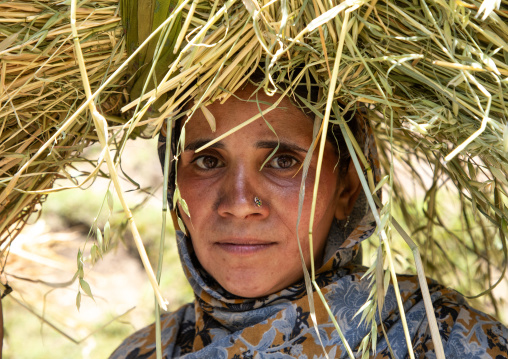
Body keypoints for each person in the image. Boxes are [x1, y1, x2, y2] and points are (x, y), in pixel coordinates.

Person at [110, 77, 508, 358]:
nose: (239, 202)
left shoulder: (439, 339)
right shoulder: (145, 351)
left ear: (348, 187)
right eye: (209, 161)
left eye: (283, 161)